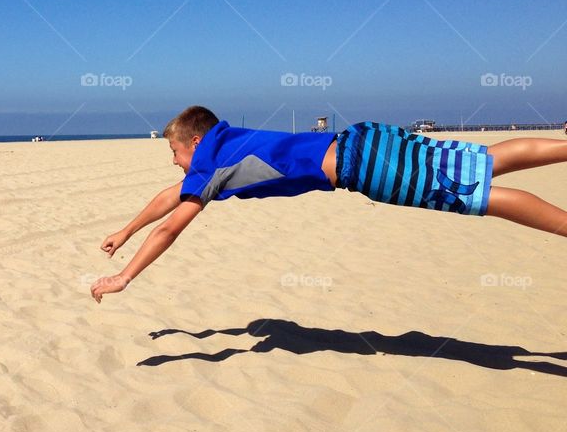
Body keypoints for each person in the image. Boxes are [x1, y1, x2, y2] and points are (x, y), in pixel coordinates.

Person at [91, 105, 567, 303]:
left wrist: (126, 275)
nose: (174, 162)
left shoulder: (208, 166)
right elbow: (167, 198)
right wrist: (125, 230)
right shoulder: (225, 142)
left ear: (193, 142)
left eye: (173, 152)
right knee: (483, 160)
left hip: (362, 167)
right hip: (364, 138)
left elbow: (171, 226)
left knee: (477, 196)